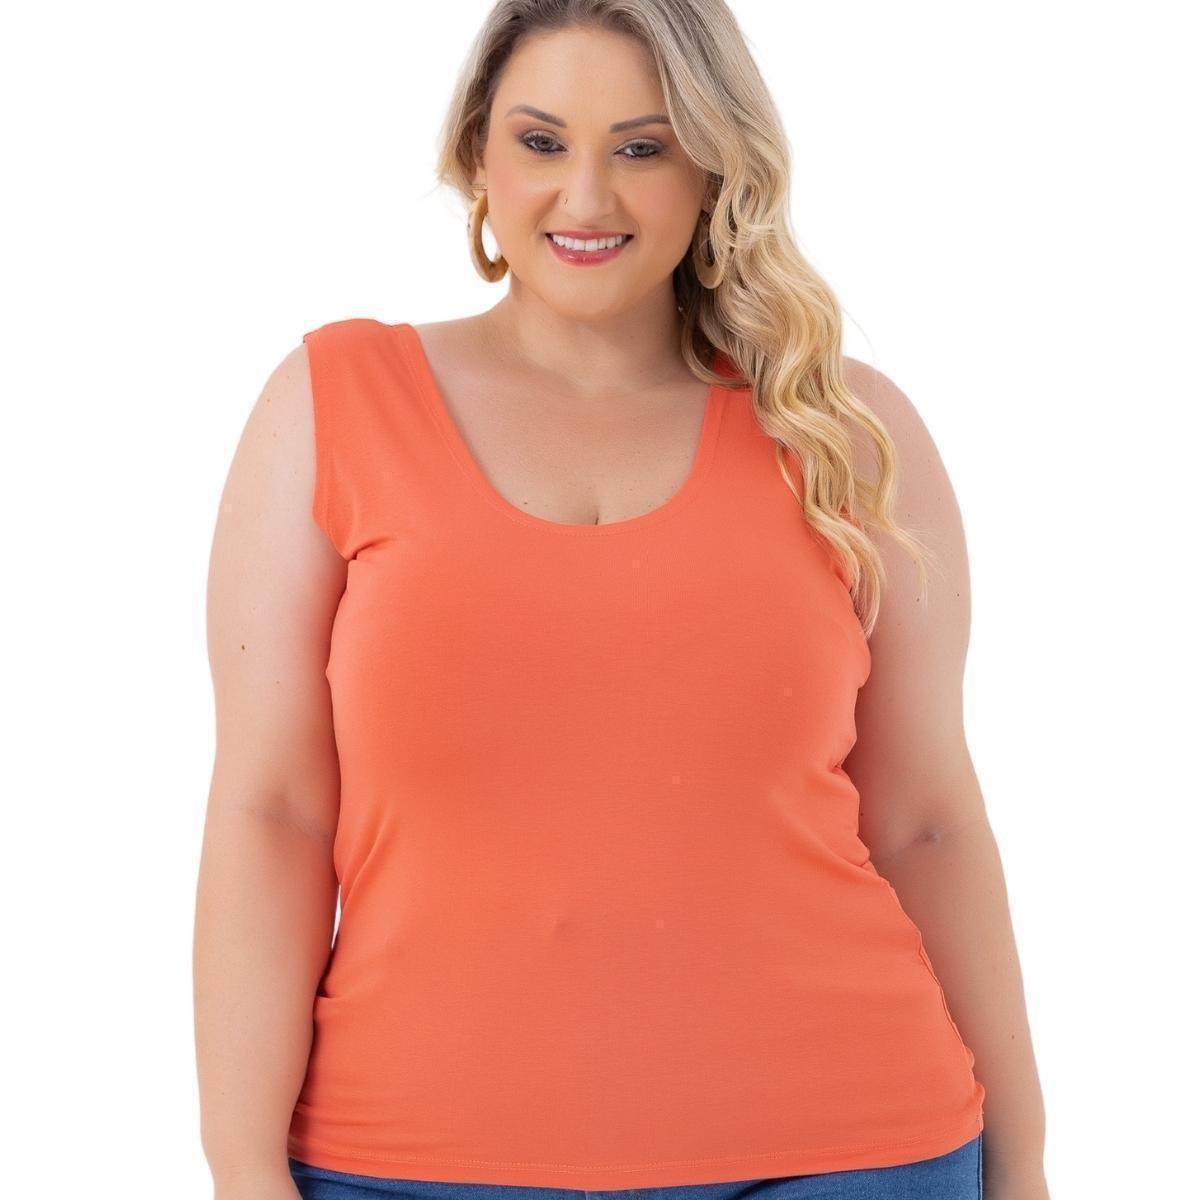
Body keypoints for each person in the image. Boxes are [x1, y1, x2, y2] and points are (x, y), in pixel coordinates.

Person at [193, 3, 1049, 1200]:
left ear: (714, 167)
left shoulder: (844, 430)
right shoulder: (332, 405)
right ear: (477, 155)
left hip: (853, 1148)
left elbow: (925, 821)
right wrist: (240, 1165)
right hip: (404, 1159)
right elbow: (274, 812)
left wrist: (1025, 1161)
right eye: (542, 142)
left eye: (643, 148)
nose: (586, 196)